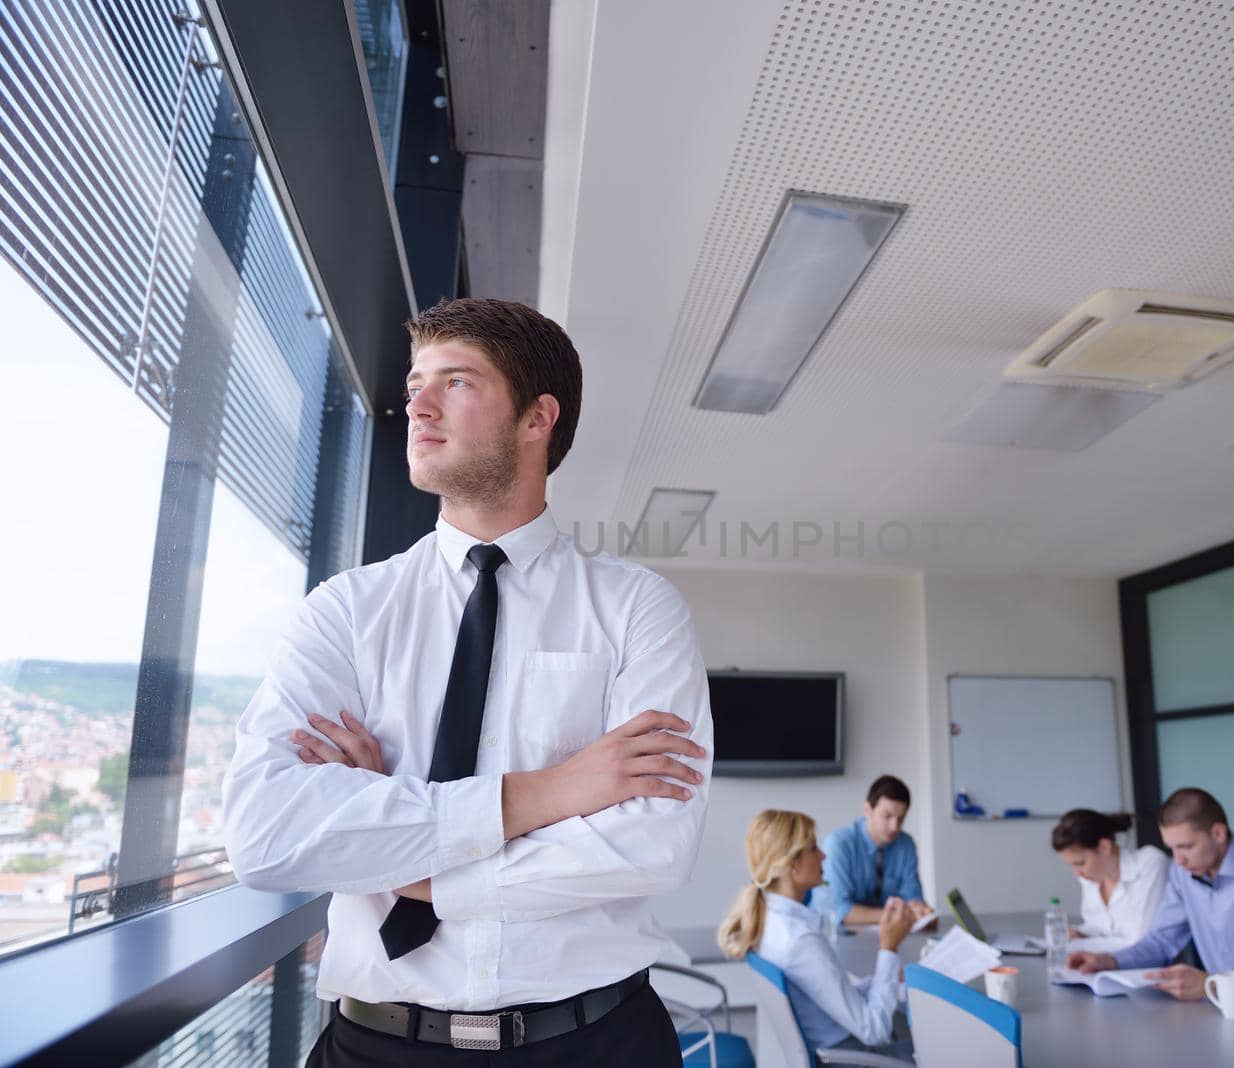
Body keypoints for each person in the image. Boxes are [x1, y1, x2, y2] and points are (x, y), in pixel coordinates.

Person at [223, 298, 712, 1066]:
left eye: (456, 381)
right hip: (377, 1045)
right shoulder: (346, 610)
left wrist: (406, 866)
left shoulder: (636, 608)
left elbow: (652, 846)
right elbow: (264, 834)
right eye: (417, 381)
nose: (416, 403)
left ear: (535, 418)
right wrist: (553, 792)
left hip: (598, 1044)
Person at [1066, 788, 1234, 1004]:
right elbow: (1162, 941)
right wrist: (1110, 961)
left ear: (1218, 834)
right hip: (1226, 1005)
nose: (1178, 860)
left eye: (1186, 847)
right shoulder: (1184, 873)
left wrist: (1211, 984)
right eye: (1172, 849)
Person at [719, 810, 916, 1059]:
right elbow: (874, 1029)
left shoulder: (769, 922)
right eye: (813, 848)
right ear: (793, 863)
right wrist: (889, 946)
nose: (823, 855)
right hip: (854, 1058)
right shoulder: (801, 940)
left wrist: (883, 979)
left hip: (839, 1049)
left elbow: (832, 992)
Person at [819, 775, 934, 926]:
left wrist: (920, 910)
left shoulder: (906, 844)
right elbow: (840, 910)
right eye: (887, 816)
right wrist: (897, 916)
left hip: (888, 935)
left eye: (901, 819)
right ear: (867, 810)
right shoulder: (839, 844)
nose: (895, 826)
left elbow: (912, 897)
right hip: (837, 936)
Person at [1050, 809, 1170, 947]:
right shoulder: (1091, 878)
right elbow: (1099, 927)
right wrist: (1081, 933)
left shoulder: (1149, 863)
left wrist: (1088, 943)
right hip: (1107, 964)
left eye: (1080, 863)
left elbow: (1140, 940)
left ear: (1104, 847)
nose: (1076, 873)